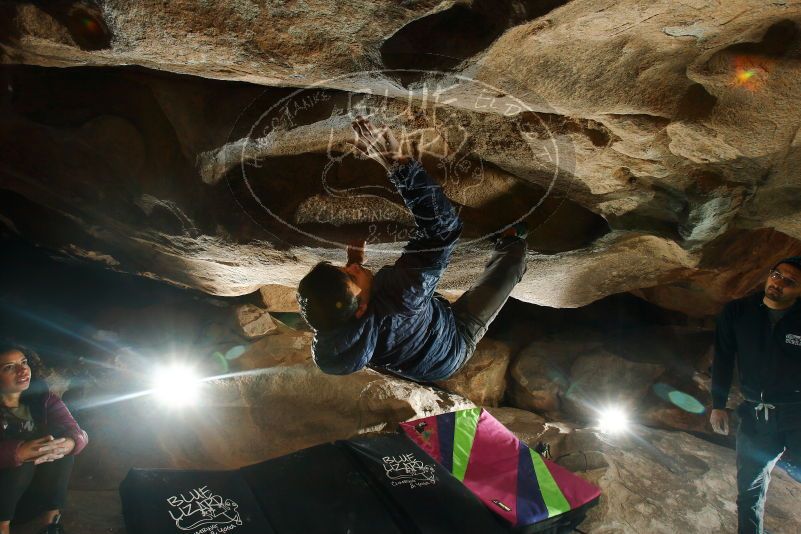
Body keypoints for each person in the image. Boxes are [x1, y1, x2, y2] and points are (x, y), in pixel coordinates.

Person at [296, 117, 528, 382]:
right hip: (452, 347)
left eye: (343, 269)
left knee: (418, 292)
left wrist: (355, 265)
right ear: (360, 309)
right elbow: (443, 229)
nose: (351, 268)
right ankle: (513, 240)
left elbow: (349, 304)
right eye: (350, 276)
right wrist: (397, 164)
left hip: (416, 349)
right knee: (510, 266)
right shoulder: (403, 297)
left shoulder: (339, 335)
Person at [710, 257, 801, 534]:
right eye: (776, 274)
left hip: (797, 414)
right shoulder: (739, 312)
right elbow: (723, 357)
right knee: (749, 492)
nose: (778, 283)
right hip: (755, 415)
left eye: (790, 282)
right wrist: (718, 405)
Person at [0, 345, 89, 534]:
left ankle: (50, 525)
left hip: (27, 502)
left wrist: (69, 443)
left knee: (57, 445)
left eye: (23, 362)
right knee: (23, 457)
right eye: (9, 367)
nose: (22, 370)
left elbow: (79, 433)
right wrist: (18, 452)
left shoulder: (44, 400)